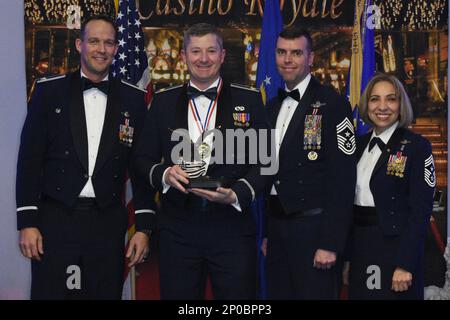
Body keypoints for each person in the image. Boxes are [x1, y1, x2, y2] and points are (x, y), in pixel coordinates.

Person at [16, 15, 155, 299]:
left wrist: (143, 228)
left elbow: (140, 168)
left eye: (108, 42)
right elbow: (30, 161)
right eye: (93, 41)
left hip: (107, 222)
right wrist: (27, 222)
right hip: (56, 220)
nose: (101, 49)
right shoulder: (48, 91)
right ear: (80, 44)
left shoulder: (133, 100)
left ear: (116, 48)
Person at [134, 23, 269, 299]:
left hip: (232, 227)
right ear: (184, 56)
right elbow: (142, 158)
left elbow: (267, 162)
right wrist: (164, 174)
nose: (203, 58)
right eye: (195, 51)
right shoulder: (162, 102)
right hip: (178, 227)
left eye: (210, 50)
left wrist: (236, 194)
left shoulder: (251, 100)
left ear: (222, 55)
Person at [263, 28, 356, 299]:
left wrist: (331, 242)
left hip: (315, 232)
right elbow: (269, 172)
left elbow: (344, 178)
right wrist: (268, 232)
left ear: (310, 57)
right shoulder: (270, 107)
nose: (288, 59)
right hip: (278, 231)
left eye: (296, 53)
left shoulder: (333, 104)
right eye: (282, 52)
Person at [343, 73, 435, 299]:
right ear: (367, 104)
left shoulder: (417, 147)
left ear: (400, 104)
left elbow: (420, 213)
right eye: (375, 99)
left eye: (390, 99)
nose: (382, 106)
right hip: (361, 248)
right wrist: (347, 258)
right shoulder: (357, 145)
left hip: (396, 250)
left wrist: (405, 264)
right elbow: (347, 206)